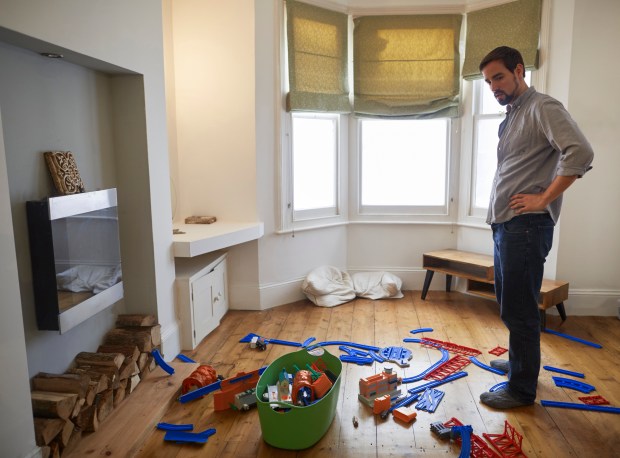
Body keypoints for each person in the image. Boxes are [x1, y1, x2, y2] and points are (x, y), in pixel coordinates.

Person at [477, 46, 594, 409]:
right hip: (507, 225)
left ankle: (521, 389)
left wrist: (543, 198)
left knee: (520, 310)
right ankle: (519, 363)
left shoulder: (542, 106)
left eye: (498, 76)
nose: (493, 86)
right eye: (487, 81)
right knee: (510, 304)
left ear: (518, 70)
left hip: (526, 227)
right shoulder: (514, 114)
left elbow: (580, 153)